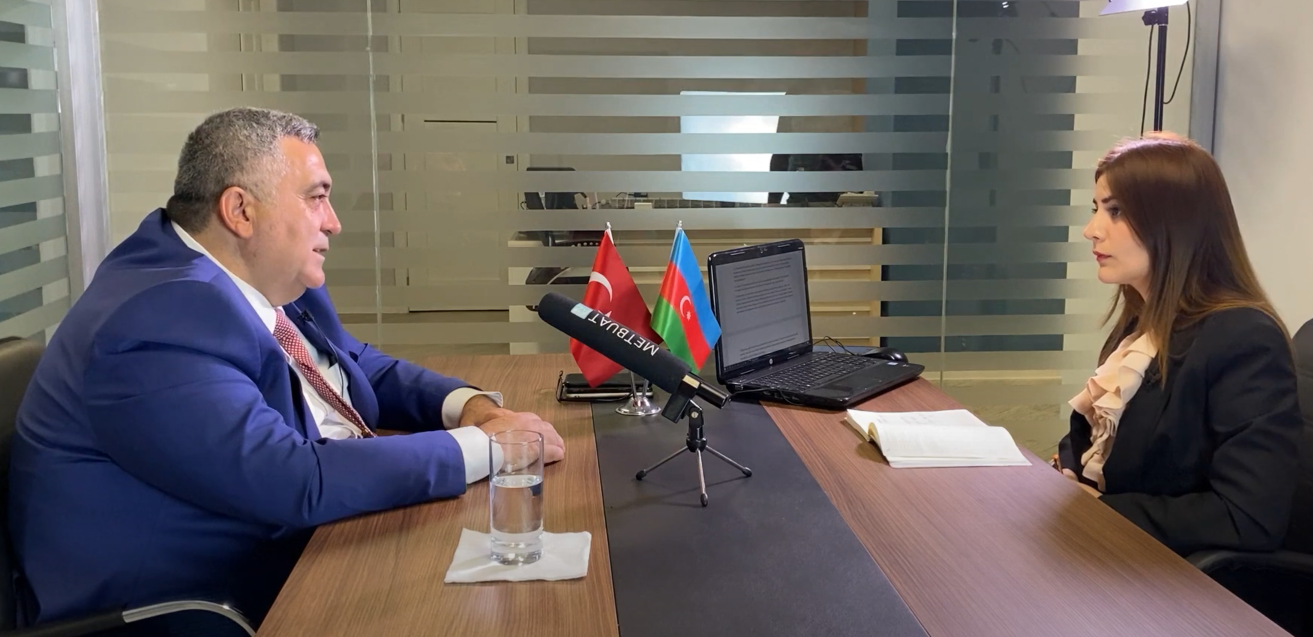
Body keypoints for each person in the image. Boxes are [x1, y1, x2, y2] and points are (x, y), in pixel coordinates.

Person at [8, 107, 566, 631]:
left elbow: (355, 366)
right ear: (241, 211)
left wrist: (472, 408)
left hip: (309, 548)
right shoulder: (158, 315)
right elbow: (290, 478)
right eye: (316, 198)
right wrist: (492, 448)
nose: (334, 223)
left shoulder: (256, 276)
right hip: (196, 606)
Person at [1056, 133, 1302, 556]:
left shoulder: (1244, 339)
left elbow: (1247, 518)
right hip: (1102, 551)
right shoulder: (1141, 323)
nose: (1091, 231)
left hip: (1169, 576)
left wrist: (1101, 512)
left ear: (1175, 224)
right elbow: (1094, 441)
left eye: (1116, 211)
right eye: (1096, 209)